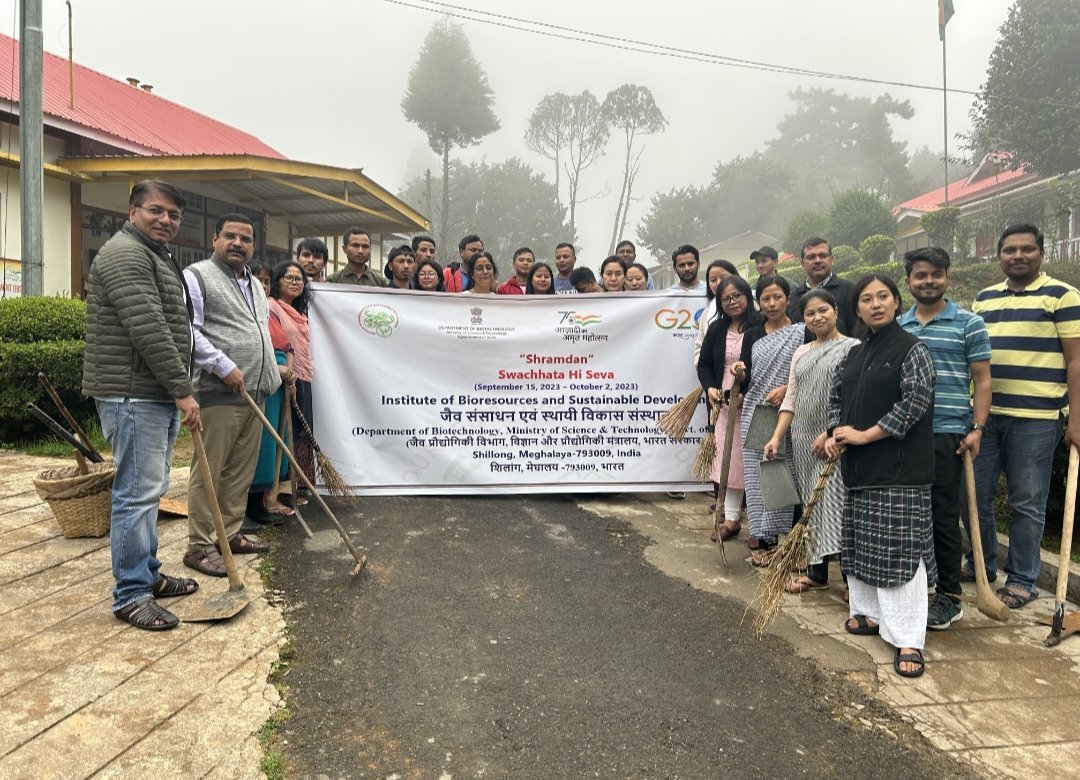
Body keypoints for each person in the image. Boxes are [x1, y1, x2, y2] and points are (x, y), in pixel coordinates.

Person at [83, 179, 201, 631]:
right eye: (156, 211)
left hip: (150, 393)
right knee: (135, 494)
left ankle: (147, 574)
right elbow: (149, 329)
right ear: (133, 211)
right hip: (133, 394)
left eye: (174, 215)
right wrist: (182, 389)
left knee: (149, 489)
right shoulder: (126, 255)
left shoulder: (153, 254)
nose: (166, 220)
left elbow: (175, 326)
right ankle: (130, 594)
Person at [826, 274, 936, 679]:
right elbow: (839, 396)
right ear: (856, 309)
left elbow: (915, 402)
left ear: (896, 302)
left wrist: (864, 435)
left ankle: (908, 637)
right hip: (859, 467)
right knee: (860, 544)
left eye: (883, 297)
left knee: (900, 552)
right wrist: (835, 433)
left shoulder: (912, 349)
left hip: (899, 468)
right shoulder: (855, 354)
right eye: (866, 299)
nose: (875, 304)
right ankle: (869, 614)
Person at [968, 223, 1080, 609]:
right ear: (998, 255)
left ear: (1041, 253)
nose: (1018, 256)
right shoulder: (983, 299)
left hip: (1037, 418)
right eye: (1010, 250)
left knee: (1026, 502)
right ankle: (981, 564)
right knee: (975, 495)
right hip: (986, 417)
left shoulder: (1062, 296)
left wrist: (1076, 419)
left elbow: (1076, 360)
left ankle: (1022, 579)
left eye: (1026, 249)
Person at [182, 214, 281, 577]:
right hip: (218, 391)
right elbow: (188, 331)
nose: (238, 243)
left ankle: (231, 532)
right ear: (214, 239)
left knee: (240, 470)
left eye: (246, 238)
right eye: (230, 236)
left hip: (254, 391)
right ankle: (200, 544)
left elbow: (256, 330)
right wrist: (222, 365)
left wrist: (272, 370)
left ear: (254, 245)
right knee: (210, 470)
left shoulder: (254, 283)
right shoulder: (197, 276)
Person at [900, 247, 991, 629]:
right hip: (905, 433)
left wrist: (977, 428)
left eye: (936, 274)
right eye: (920, 275)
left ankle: (950, 596)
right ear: (909, 282)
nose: (928, 281)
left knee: (942, 517)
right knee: (909, 516)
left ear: (946, 278)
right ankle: (914, 587)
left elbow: (983, 380)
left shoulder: (969, 323)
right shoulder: (899, 326)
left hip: (947, 433)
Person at [765, 290, 856, 593]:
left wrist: (832, 431)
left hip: (833, 440)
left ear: (836, 311)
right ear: (803, 319)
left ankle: (851, 583)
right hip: (802, 437)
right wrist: (777, 436)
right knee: (810, 505)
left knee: (836, 506)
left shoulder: (851, 348)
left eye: (823, 311)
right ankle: (817, 574)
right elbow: (791, 397)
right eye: (810, 314)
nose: (817, 318)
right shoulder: (801, 352)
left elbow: (853, 399)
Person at [730, 276, 804, 565]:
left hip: (795, 411)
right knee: (764, 476)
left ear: (787, 298)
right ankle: (768, 541)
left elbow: (807, 366)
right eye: (765, 299)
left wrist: (788, 389)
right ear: (758, 302)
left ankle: (795, 544)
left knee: (792, 476)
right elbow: (747, 377)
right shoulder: (753, 333)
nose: (772, 304)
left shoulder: (802, 332)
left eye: (777, 297)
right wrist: (739, 372)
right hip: (759, 411)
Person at [697, 275, 762, 540]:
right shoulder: (716, 329)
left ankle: (760, 527)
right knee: (730, 460)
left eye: (737, 296)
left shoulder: (761, 327)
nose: (732, 302)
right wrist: (710, 387)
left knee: (757, 462)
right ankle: (732, 519)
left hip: (755, 401)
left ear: (747, 296)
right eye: (726, 298)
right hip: (724, 403)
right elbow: (703, 364)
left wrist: (747, 392)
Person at [247, 264, 298, 527]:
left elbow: (287, 344)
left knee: (280, 440)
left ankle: (272, 496)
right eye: (259, 280)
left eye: (266, 281)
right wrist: (275, 368)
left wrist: (289, 370)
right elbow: (255, 348)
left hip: (282, 378)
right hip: (263, 377)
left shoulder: (271, 312)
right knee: (264, 443)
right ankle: (255, 503)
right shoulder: (248, 313)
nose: (263, 286)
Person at [268, 260, 316, 491]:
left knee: (300, 431)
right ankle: (282, 487)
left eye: (300, 279)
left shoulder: (299, 312)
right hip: (283, 377)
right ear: (278, 281)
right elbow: (279, 344)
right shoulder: (272, 306)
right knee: (285, 430)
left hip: (302, 377)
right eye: (290, 278)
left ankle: (299, 484)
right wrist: (287, 372)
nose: (296, 283)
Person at [787, 238, 855, 336]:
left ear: (832, 260)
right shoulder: (793, 298)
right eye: (811, 257)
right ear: (802, 264)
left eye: (822, 256)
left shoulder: (849, 290)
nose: (818, 261)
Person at [694, 260, 740, 367]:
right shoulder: (707, 313)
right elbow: (699, 346)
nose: (718, 283)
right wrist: (704, 370)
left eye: (723, 278)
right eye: (713, 280)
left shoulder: (751, 306)